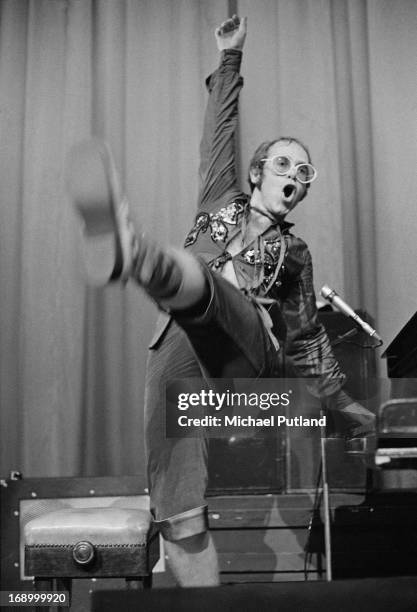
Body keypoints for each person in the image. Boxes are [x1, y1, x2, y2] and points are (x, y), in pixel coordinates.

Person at [68, 16, 375, 586]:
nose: (294, 176)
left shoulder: (296, 252)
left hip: (245, 353)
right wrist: (230, 57)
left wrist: (342, 404)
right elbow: (220, 129)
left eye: (303, 172)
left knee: (213, 291)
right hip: (178, 345)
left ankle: (135, 252)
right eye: (282, 163)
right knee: (179, 509)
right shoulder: (220, 201)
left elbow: (306, 338)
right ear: (256, 173)